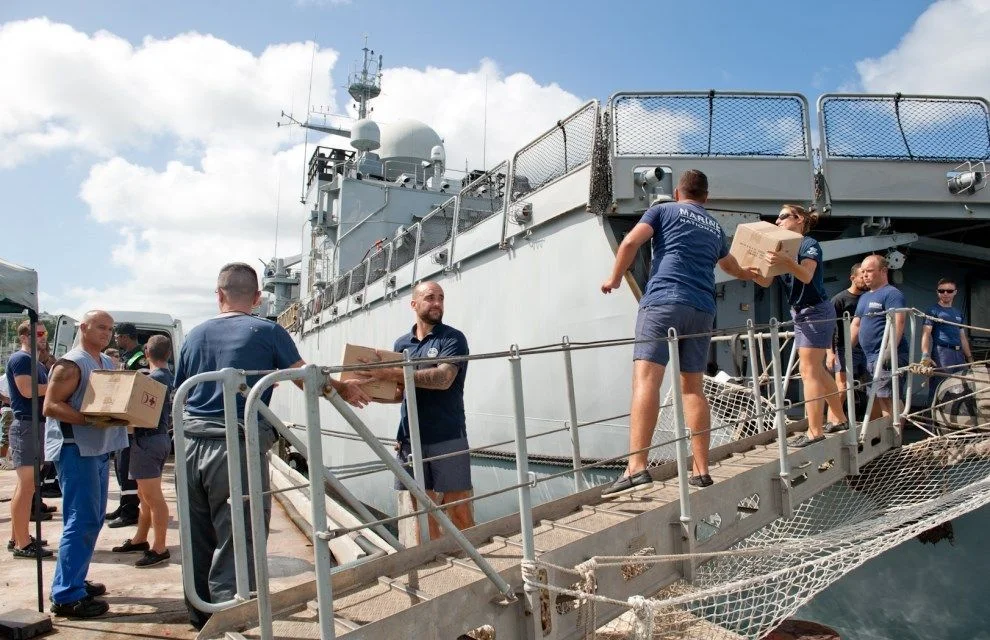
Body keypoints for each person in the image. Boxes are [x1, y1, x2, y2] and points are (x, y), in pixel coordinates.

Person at [174, 262, 370, 630]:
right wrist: (342, 387)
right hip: (235, 446)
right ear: (258, 297)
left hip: (189, 445)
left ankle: (199, 615)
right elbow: (304, 378)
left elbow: (184, 391)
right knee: (240, 534)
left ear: (219, 295)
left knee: (197, 533)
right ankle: (229, 621)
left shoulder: (194, 336)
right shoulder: (267, 331)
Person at [599, 169, 754, 494]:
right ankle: (700, 469)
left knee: (646, 380)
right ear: (705, 198)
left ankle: (637, 467)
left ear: (679, 192)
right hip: (702, 309)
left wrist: (614, 279)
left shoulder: (662, 209)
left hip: (664, 301)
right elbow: (730, 266)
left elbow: (630, 241)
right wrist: (749, 272)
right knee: (692, 388)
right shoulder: (714, 227)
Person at [358, 281, 474, 541]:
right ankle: (435, 565)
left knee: (459, 509)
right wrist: (367, 391)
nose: (437, 303)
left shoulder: (452, 338)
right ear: (414, 304)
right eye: (430, 297)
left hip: (447, 436)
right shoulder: (402, 344)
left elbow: (444, 379)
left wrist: (388, 372)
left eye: (441, 298)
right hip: (411, 440)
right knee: (423, 511)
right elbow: (400, 392)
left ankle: (473, 561)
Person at [43, 310, 129, 618]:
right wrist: (89, 420)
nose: (106, 333)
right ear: (83, 327)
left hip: (98, 449)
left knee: (90, 519)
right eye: (100, 327)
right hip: (76, 448)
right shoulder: (70, 364)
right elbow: (50, 405)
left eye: (110, 328)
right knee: (81, 520)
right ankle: (67, 595)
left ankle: (74, 579)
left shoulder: (106, 363)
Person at [750, 205, 849, 446]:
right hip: (801, 313)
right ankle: (840, 418)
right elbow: (765, 281)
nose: (778, 220)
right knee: (816, 370)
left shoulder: (808, 244)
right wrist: (751, 267)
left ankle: (815, 431)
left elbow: (806, 275)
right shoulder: (781, 248)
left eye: (783, 216)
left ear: (799, 219)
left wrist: (785, 260)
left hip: (815, 311)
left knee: (808, 371)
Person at [111, 335, 174, 567]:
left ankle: (159, 547)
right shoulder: (168, 377)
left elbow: (137, 414)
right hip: (157, 439)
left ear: (147, 352)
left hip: (146, 441)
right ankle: (141, 538)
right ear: (168, 353)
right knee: (145, 495)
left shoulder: (152, 379)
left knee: (152, 497)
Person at [6, 320, 54, 558]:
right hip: (27, 424)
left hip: (32, 424)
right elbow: (27, 390)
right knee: (27, 486)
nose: (43, 337)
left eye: (45, 333)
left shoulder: (33, 362)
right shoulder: (22, 360)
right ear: (24, 337)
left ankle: (19, 536)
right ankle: (22, 543)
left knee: (24, 486)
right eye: (38, 333)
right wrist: (57, 385)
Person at [851, 255, 909, 419]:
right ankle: (884, 437)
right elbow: (856, 325)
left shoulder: (892, 294)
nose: (865, 275)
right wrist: (846, 351)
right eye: (863, 272)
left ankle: (896, 438)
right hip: (869, 357)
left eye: (869, 271)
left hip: (886, 355)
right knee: (876, 398)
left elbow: (899, 320)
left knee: (889, 398)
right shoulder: (864, 297)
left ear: (883, 271)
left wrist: (890, 350)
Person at [105, 323, 145, 528]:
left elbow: (141, 388)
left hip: (132, 422)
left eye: (118, 337)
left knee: (127, 467)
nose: (116, 340)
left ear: (127, 337)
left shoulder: (140, 358)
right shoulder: (129, 357)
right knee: (120, 466)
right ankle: (124, 504)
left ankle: (131, 511)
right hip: (123, 420)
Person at [921, 278, 973, 410]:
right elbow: (926, 334)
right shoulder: (932, 310)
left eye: (949, 291)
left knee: (961, 389)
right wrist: (925, 355)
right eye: (941, 291)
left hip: (958, 354)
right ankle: (930, 427)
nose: (945, 293)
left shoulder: (958, 313)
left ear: (955, 292)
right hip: (942, 353)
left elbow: (962, 337)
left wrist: (970, 358)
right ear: (937, 292)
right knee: (939, 388)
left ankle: (952, 425)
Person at [827, 263, 868, 424]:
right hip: (843, 348)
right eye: (862, 276)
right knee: (841, 387)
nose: (865, 279)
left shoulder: (868, 298)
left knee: (872, 387)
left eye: (867, 276)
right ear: (853, 278)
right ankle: (833, 421)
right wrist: (830, 353)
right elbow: (829, 329)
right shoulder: (839, 300)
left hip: (866, 349)